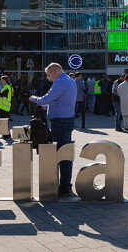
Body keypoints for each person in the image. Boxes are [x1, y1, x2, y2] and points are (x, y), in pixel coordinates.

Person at [30, 63, 77, 197]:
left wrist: (34, 99)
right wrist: (47, 108)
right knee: (65, 154)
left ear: (54, 71)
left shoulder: (60, 82)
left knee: (62, 155)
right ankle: (66, 185)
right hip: (66, 120)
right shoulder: (69, 80)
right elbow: (60, 101)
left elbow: (47, 98)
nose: (49, 78)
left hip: (61, 122)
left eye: (49, 75)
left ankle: (65, 187)